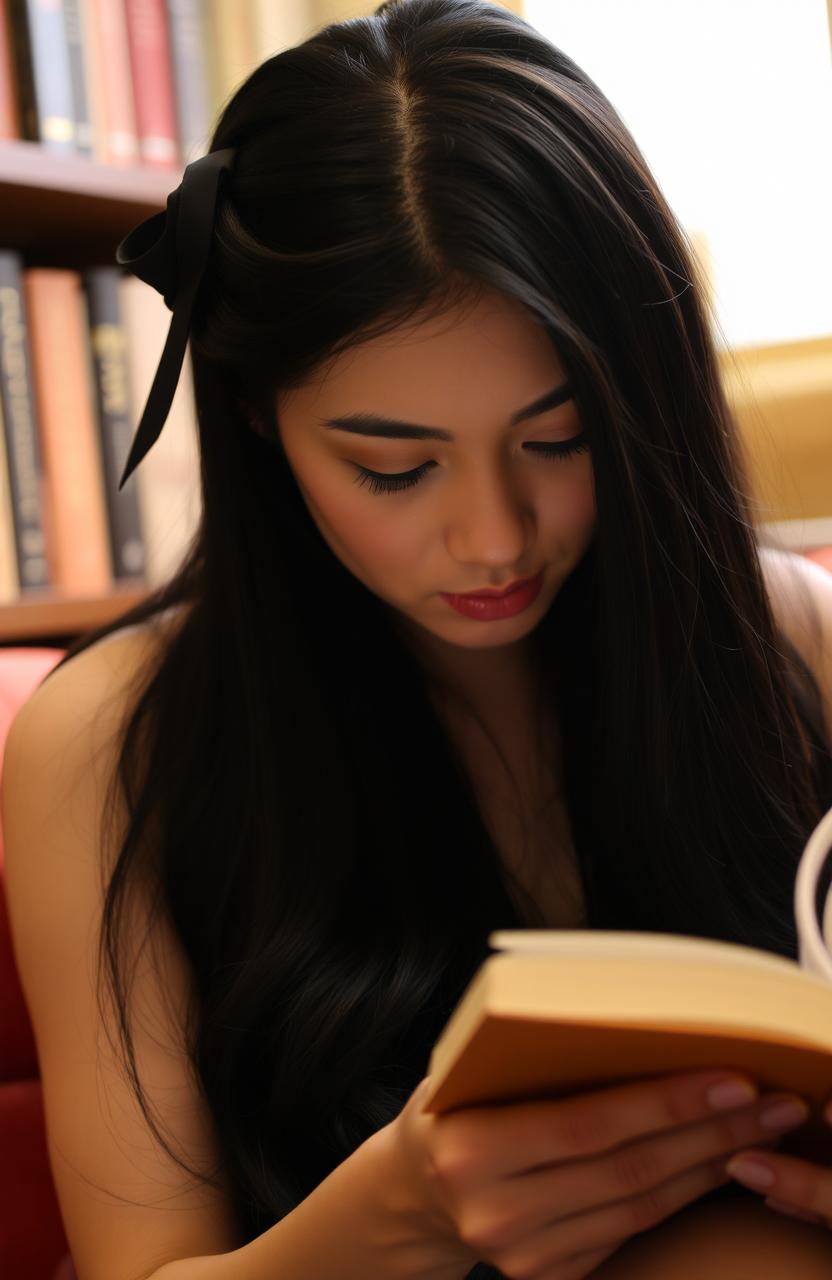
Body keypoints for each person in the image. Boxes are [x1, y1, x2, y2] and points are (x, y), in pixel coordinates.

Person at [3, 2, 832, 1278]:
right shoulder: (112, 739)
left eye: (559, 440)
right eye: (393, 468)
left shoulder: (790, 633)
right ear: (259, 422)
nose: (494, 538)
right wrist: (393, 1222)